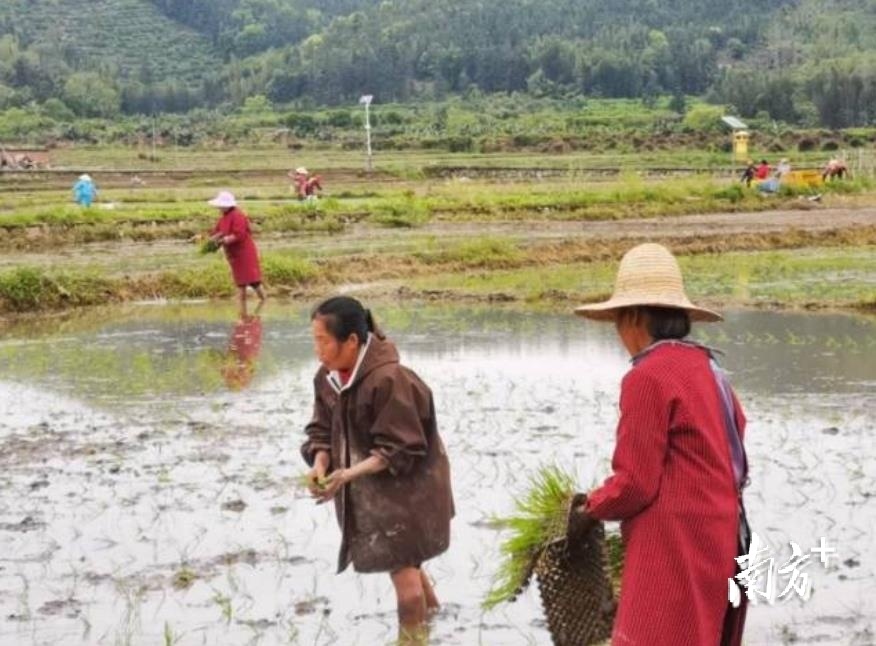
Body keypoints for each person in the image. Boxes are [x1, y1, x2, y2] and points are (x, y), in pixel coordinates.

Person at [569, 243, 750, 646]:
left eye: (617, 321)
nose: (619, 335)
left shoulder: (647, 376)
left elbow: (635, 483)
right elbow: (737, 438)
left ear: (633, 317)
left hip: (674, 544)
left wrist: (591, 507)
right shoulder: (709, 367)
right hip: (723, 535)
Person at [301, 296, 454, 644]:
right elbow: (320, 431)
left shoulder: (389, 381)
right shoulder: (327, 379)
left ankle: (412, 639)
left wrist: (348, 475)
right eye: (314, 340)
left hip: (411, 490)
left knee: (406, 580)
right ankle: (434, 626)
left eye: (323, 341)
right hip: (374, 492)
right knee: (406, 563)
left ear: (351, 341)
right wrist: (322, 464)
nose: (317, 350)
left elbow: (400, 448)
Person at [207, 191, 266, 318]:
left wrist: (224, 240)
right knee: (240, 281)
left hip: (244, 252)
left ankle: (259, 304)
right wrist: (211, 239)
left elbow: (239, 234)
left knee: (253, 280)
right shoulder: (223, 218)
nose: (219, 208)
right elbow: (218, 231)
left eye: (221, 205)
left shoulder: (238, 216)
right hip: (234, 254)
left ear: (228, 205)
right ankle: (245, 308)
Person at [220, 315, 262, 391]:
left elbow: (224, 367)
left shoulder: (228, 377)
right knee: (250, 329)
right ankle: (250, 317)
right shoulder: (244, 380)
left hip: (240, 351)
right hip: (247, 352)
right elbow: (249, 368)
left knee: (243, 332)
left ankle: (245, 317)